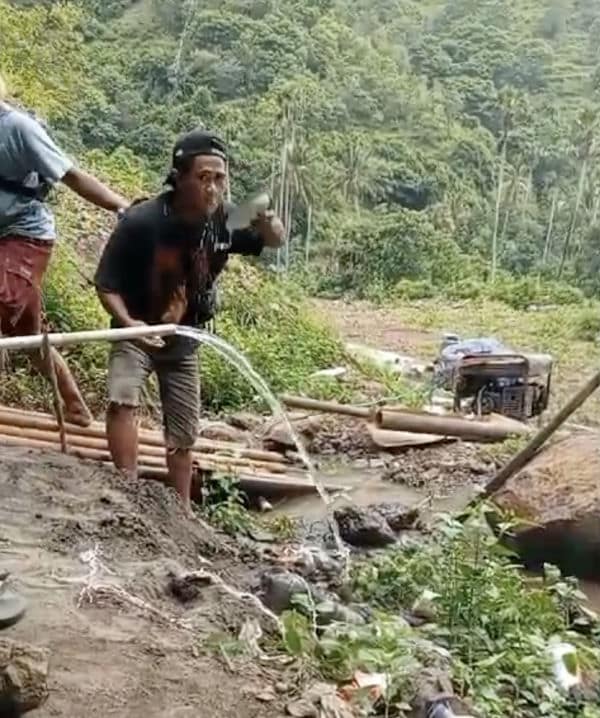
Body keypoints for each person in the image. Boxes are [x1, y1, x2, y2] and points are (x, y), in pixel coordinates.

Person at [94, 130, 284, 510]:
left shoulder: (227, 220)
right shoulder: (142, 221)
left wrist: (266, 217)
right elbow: (105, 284)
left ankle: (180, 510)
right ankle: (126, 493)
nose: (212, 187)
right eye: (203, 177)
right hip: (140, 332)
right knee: (122, 399)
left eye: (219, 178)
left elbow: (276, 240)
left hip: (186, 337)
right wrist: (128, 323)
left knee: (183, 434)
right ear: (179, 177)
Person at [0, 72, 128, 427]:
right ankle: (74, 404)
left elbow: (72, 175)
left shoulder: (20, 129)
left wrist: (122, 208)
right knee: (24, 335)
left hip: (25, 236)